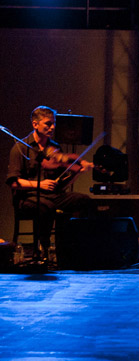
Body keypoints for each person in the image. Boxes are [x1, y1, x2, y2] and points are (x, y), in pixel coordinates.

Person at [6, 106, 95, 258]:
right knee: (46, 206)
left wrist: (77, 173)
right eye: (48, 124)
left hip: (52, 195)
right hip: (27, 198)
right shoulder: (21, 148)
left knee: (83, 200)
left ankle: (73, 247)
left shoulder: (55, 147)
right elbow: (13, 182)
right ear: (35, 124)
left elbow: (61, 185)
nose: (53, 127)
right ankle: (44, 249)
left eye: (54, 123)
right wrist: (39, 185)